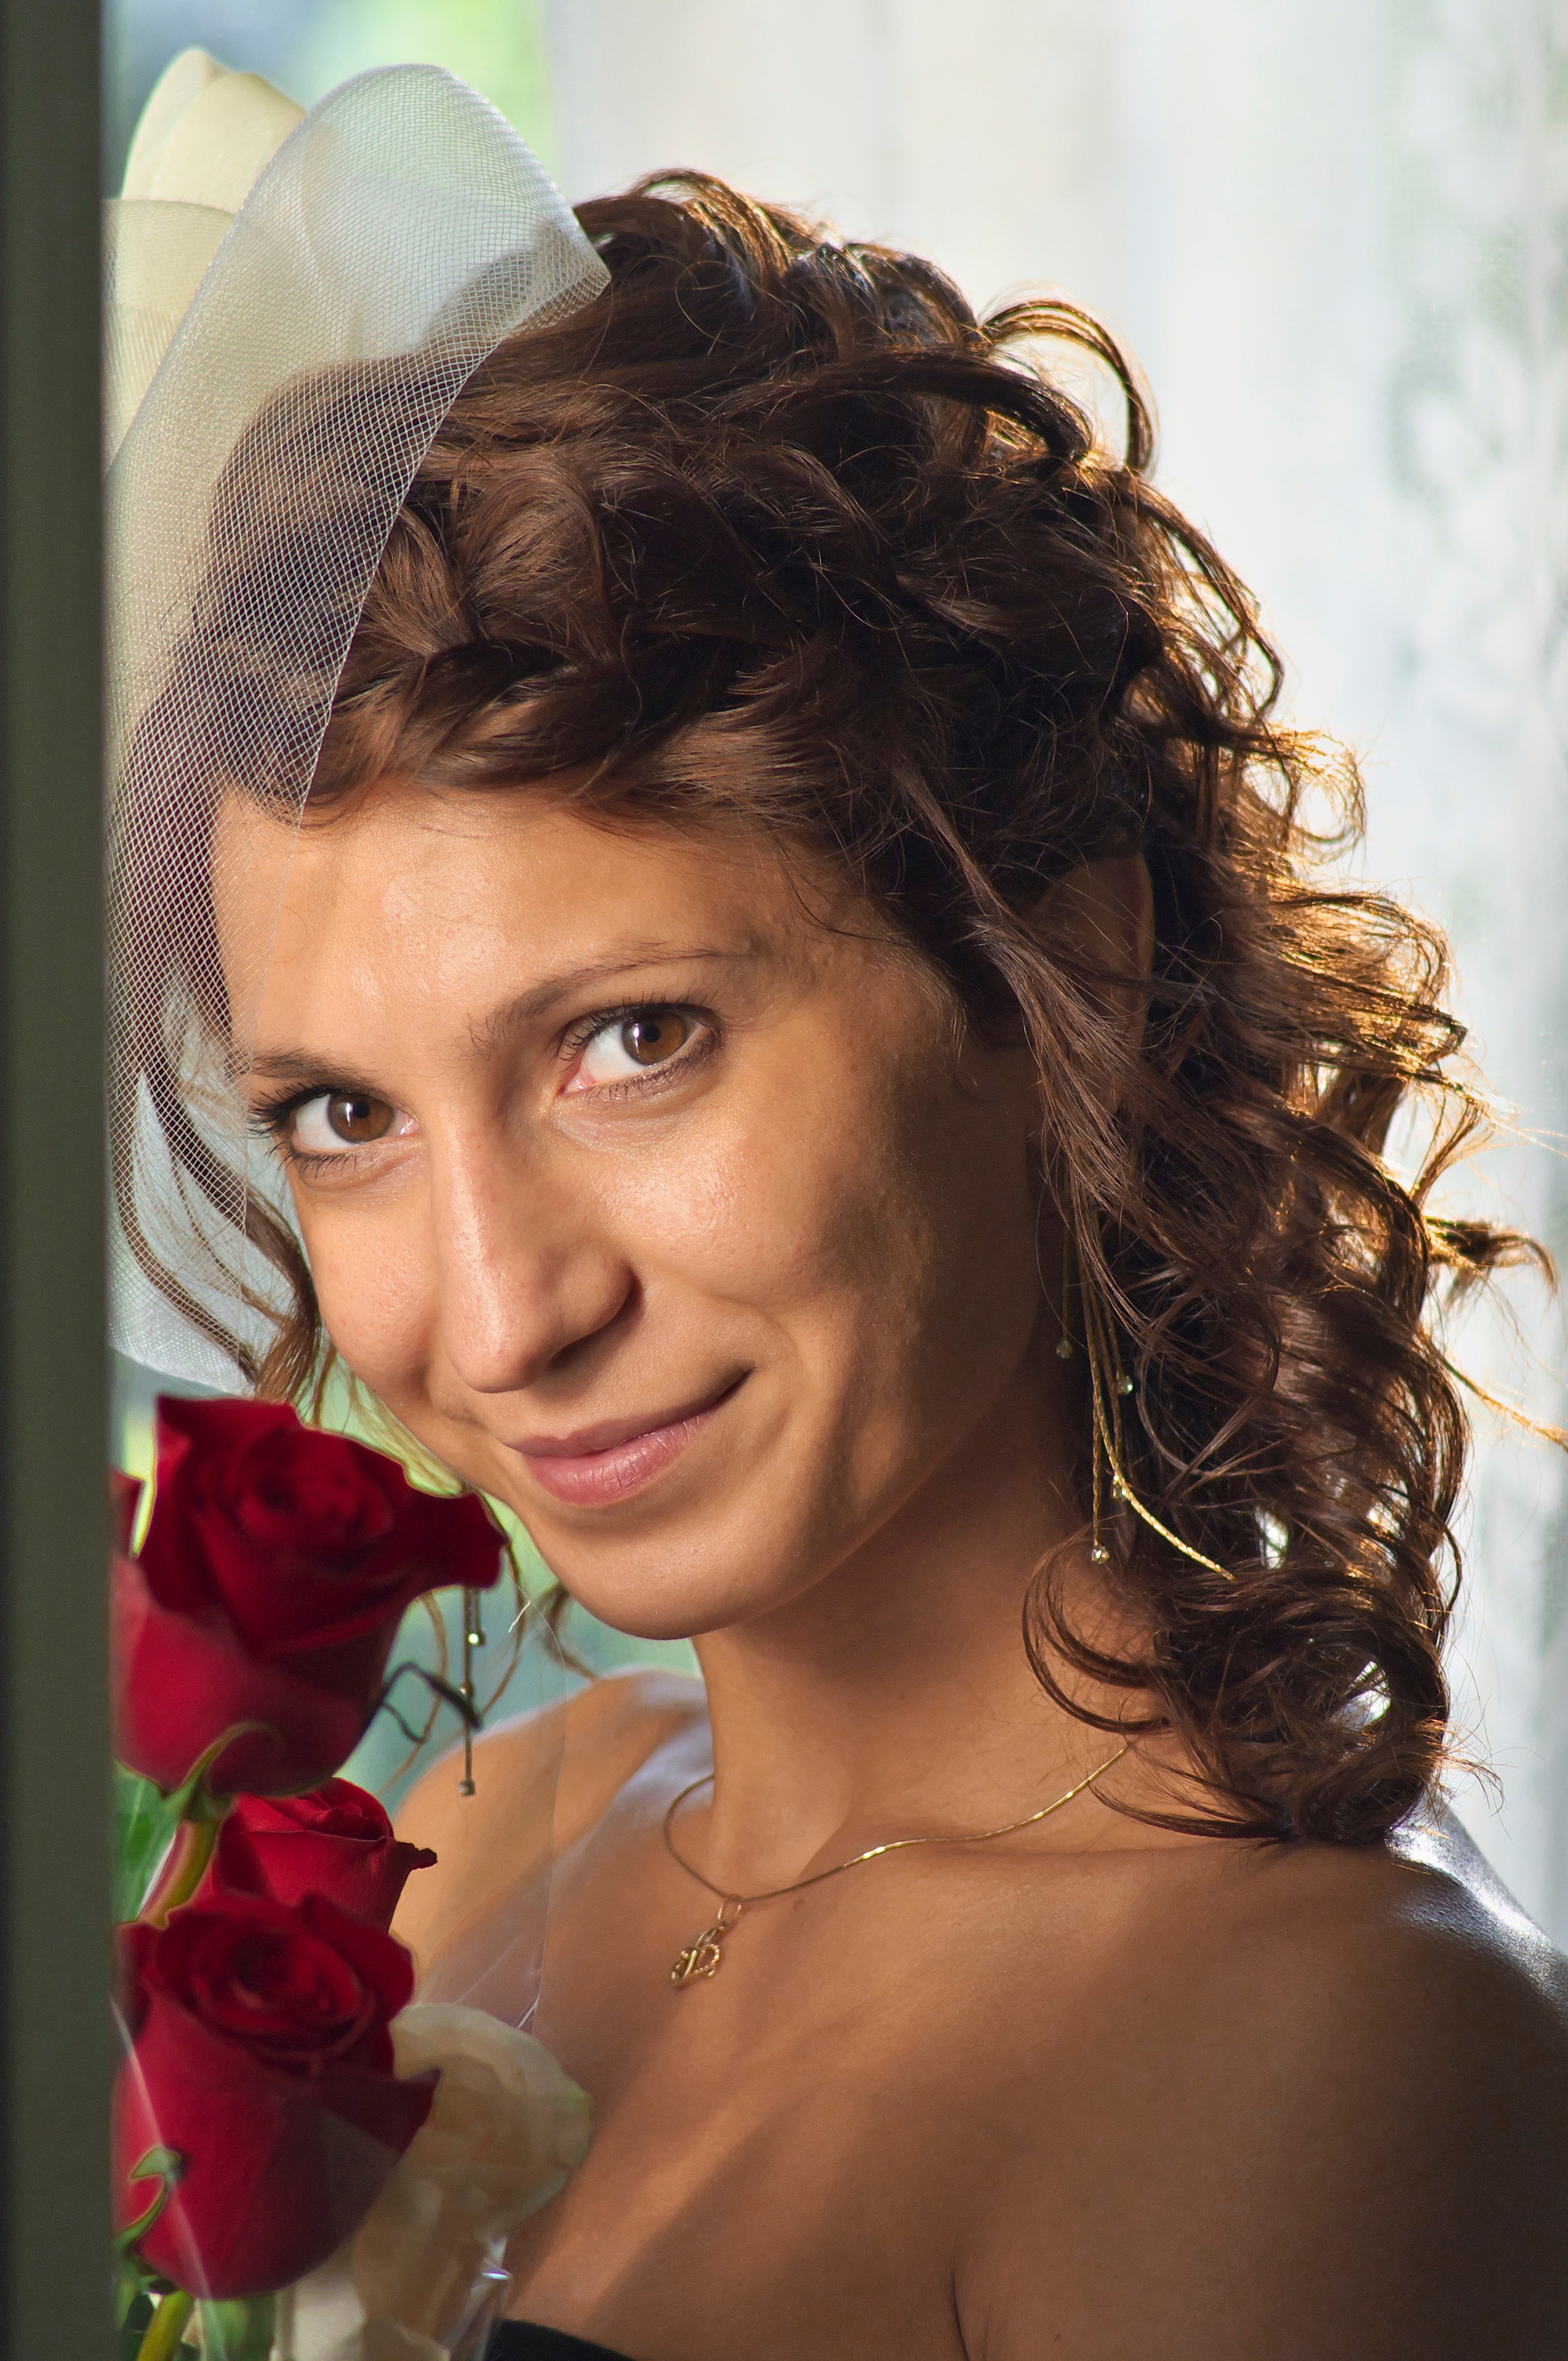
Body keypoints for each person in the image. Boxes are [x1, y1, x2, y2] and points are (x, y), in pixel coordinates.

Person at [113, 60, 1568, 2361]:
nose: (495, 1314)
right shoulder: (498, 1831)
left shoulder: (1307, 2057)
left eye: (632, 1039)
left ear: (1055, 961)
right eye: (344, 1112)